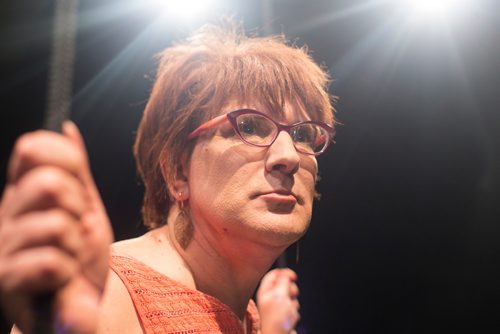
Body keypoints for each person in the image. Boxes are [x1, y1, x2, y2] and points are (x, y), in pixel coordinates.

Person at [0, 22, 336, 334]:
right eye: (248, 126)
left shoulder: (251, 319)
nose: (289, 157)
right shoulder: (111, 292)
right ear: (177, 170)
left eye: (304, 134)